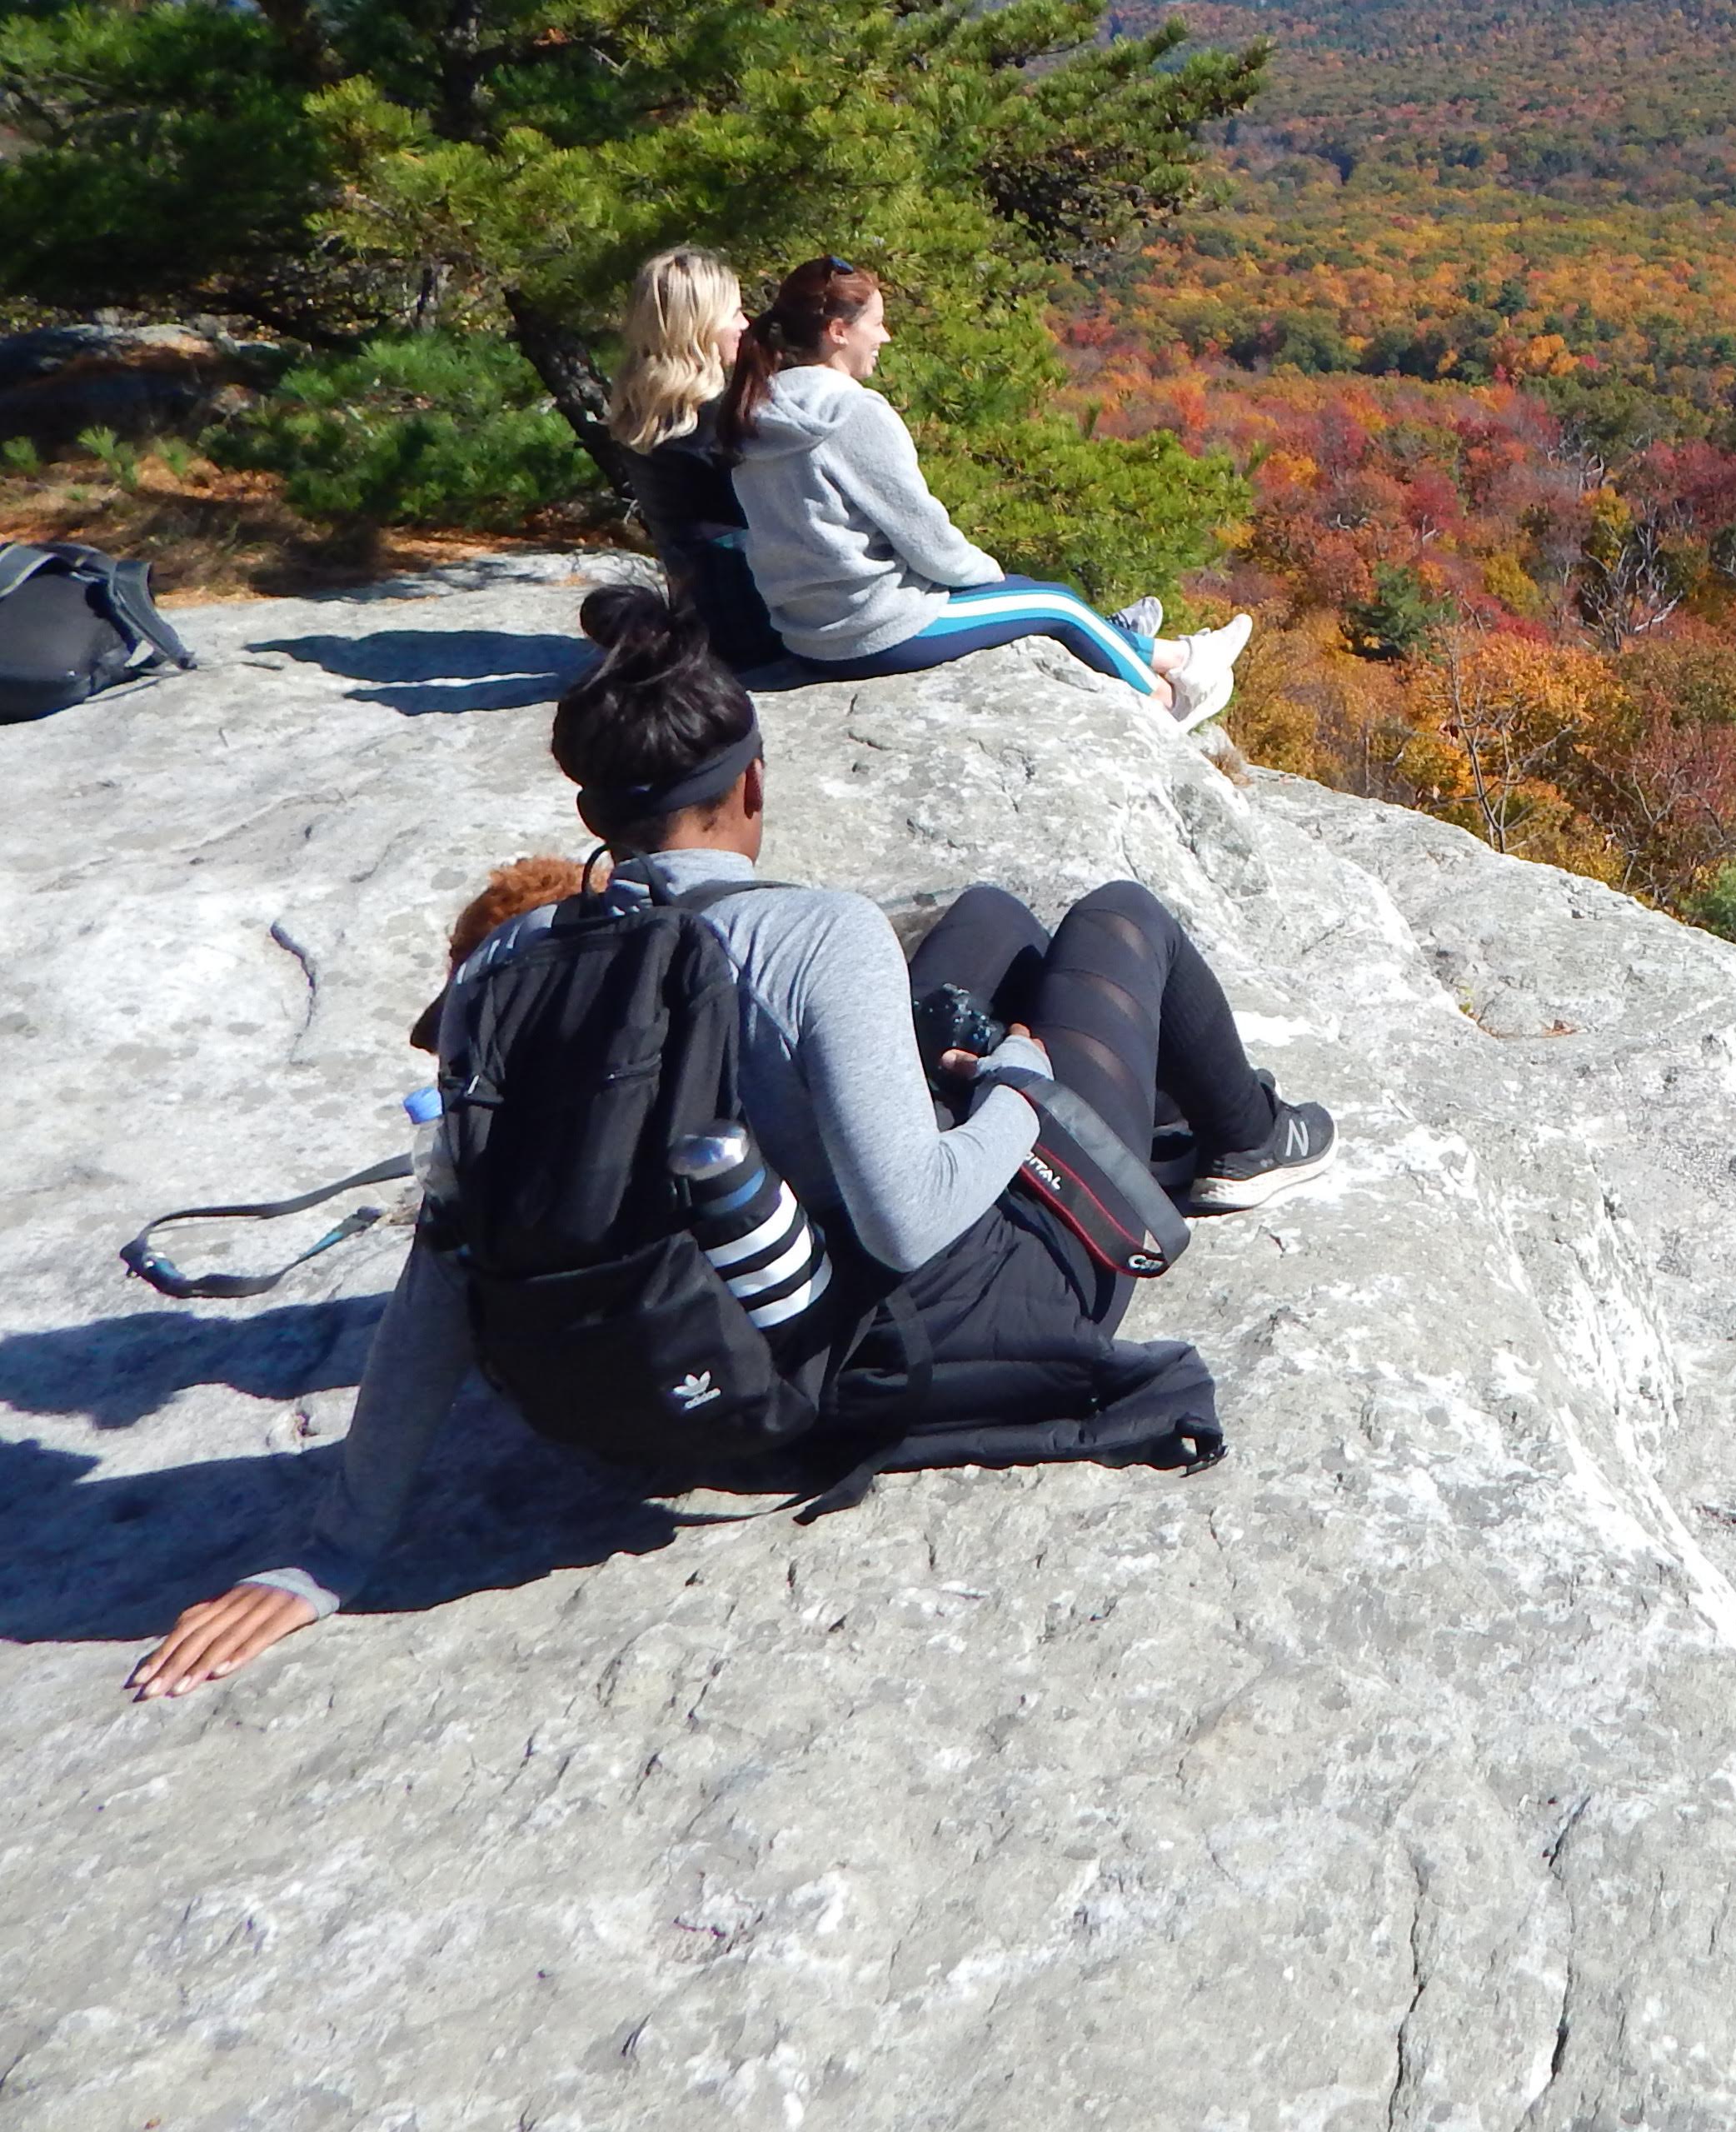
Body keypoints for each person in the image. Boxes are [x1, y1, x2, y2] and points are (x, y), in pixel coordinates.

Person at [126, 588, 1334, 1701]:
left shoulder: (501, 968)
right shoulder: (820, 936)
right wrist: (1017, 1090)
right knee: (1118, 916)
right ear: (753, 783)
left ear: (596, 817)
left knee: (992, 920)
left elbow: (451, 1252)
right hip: (917, 1335)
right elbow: (912, 1218)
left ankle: (1102, 1087)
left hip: (680, 1356)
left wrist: (333, 1553)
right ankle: (1254, 1139)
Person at [721, 256, 1250, 731]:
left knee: (1031, 597)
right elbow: (924, 536)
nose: (886, 337)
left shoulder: (755, 407)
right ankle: (1165, 703)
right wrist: (987, 576)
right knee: (1056, 604)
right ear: (839, 331)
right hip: (873, 630)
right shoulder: (854, 412)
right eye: (877, 324)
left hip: (806, 631)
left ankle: (1175, 655)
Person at [608, 247, 782, 669]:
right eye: (734, 313)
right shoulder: (714, 423)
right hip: (755, 626)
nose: (745, 324)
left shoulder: (645, 407)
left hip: (698, 621)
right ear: (699, 326)